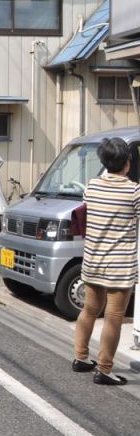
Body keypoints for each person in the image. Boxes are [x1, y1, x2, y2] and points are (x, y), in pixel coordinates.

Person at [72, 137, 139, 386]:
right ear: (127, 162)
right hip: (119, 266)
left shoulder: (92, 186)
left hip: (93, 260)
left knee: (90, 310)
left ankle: (80, 357)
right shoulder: (133, 191)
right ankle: (104, 369)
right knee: (114, 316)